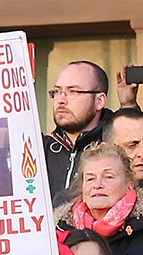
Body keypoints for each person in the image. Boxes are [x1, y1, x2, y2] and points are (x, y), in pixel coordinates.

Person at [44, 60, 110, 206]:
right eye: (56, 92)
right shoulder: (39, 149)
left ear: (99, 101)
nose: (60, 100)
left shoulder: (113, 146)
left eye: (72, 91)